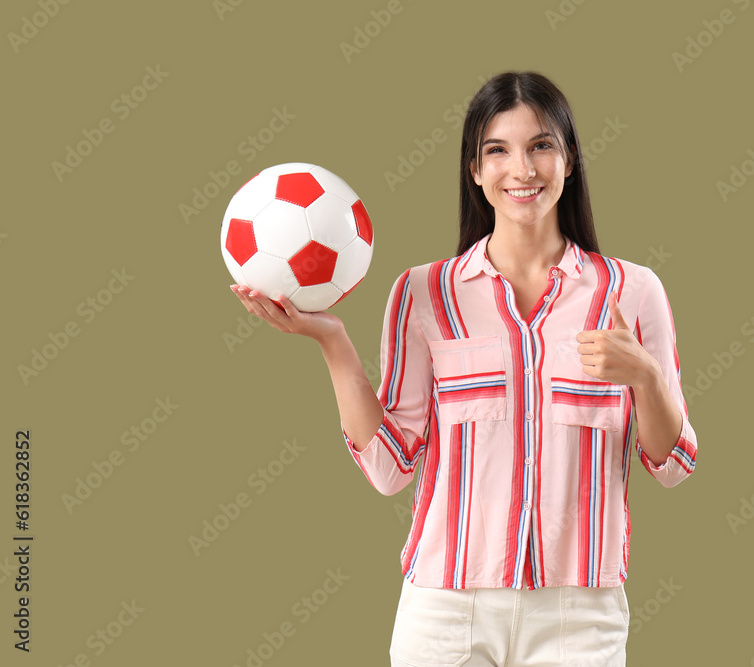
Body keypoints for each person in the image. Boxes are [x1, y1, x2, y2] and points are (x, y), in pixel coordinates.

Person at [231, 70, 697, 667]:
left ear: (571, 159)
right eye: (497, 150)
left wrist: (646, 376)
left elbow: (674, 465)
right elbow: (390, 467)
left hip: (579, 613)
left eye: (541, 146)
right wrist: (331, 341)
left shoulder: (633, 291)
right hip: (446, 608)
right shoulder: (424, 294)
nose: (521, 170)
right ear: (474, 170)